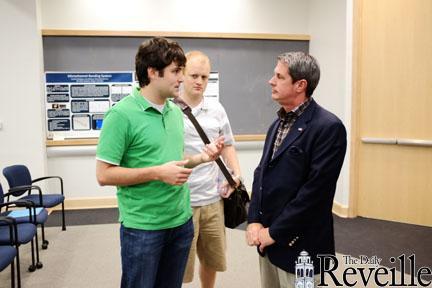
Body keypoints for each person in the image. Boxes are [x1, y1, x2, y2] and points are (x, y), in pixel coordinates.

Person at [95, 38, 224, 288]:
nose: (182, 78)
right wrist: (156, 173)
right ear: (153, 72)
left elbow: (174, 162)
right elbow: (104, 175)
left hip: (181, 222)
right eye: (176, 71)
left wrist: (200, 158)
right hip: (143, 228)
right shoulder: (121, 115)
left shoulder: (174, 112)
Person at [246, 51, 347, 288]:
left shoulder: (328, 127)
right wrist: (253, 220)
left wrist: (274, 232)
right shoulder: (277, 124)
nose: (271, 81)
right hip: (269, 243)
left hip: (301, 247)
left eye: (279, 76)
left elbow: (315, 193)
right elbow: (262, 174)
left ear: (300, 85)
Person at [180, 51, 242, 288]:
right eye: (194, 75)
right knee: (180, 265)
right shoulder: (170, 110)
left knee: (212, 260)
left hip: (213, 200)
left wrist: (236, 173)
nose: (199, 81)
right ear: (182, 75)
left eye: (204, 77)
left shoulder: (217, 109)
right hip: (182, 200)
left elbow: (228, 145)